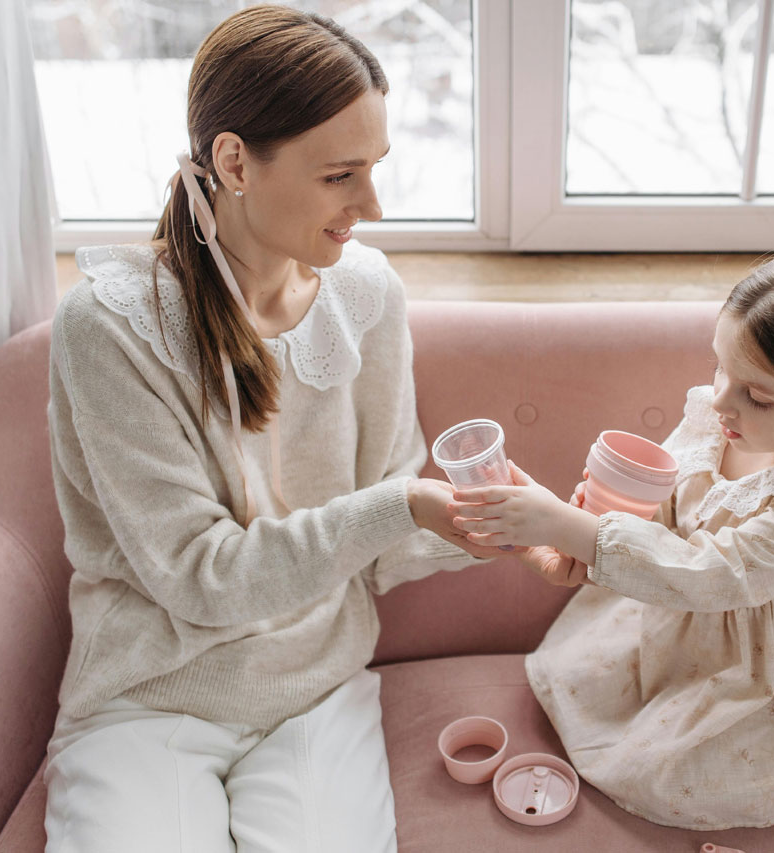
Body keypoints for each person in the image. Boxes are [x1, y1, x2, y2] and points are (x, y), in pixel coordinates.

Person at [43, 7, 501, 851]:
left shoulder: (364, 295)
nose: (371, 204)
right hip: (151, 694)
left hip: (317, 690)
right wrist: (406, 504)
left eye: (376, 168)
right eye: (340, 176)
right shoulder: (110, 327)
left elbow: (390, 536)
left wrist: (491, 522)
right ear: (233, 163)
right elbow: (200, 577)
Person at [449, 244, 774, 829]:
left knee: (679, 777)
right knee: (585, 682)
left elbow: (713, 575)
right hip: (674, 621)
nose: (721, 400)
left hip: (760, 662)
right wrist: (614, 509)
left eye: (757, 394)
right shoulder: (721, 414)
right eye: (720, 368)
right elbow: (671, 503)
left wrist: (564, 524)